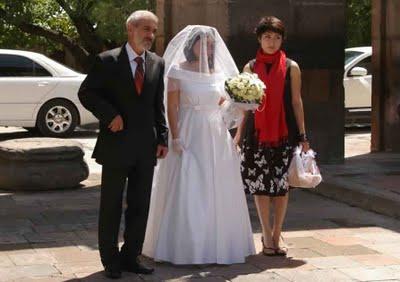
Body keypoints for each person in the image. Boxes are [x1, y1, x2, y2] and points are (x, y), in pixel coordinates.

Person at [142, 25, 255, 265]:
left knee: (216, 184)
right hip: (188, 129)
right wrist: (175, 136)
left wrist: (241, 105)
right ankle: (185, 245)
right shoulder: (177, 70)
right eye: (202, 43)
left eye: (211, 44)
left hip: (215, 133)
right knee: (188, 182)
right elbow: (171, 106)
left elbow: (224, 104)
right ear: (191, 45)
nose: (208, 47)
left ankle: (216, 244)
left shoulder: (219, 72)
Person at [78, 10, 168, 279]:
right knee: (111, 205)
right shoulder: (106, 61)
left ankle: (132, 256)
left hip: (146, 146)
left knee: (140, 205)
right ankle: (111, 260)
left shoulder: (157, 63)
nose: (150, 35)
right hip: (116, 145)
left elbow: (157, 104)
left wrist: (162, 137)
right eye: (145, 29)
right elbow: (87, 93)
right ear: (130, 29)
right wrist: (110, 115)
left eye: (153, 30)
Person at [235, 16, 310, 256]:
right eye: (267, 36)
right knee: (260, 186)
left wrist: (303, 135)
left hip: (284, 134)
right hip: (256, 135)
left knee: (281, 185)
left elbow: (297, 102)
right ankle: (266, 235)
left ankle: (277, 233)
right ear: (259, 38)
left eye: (277, 37)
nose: (272, 42)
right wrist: (238, 136)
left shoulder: (291, 67)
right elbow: (245, 105)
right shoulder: (249, 67)